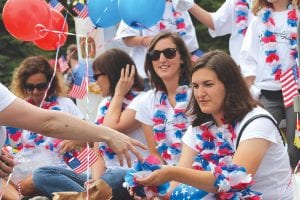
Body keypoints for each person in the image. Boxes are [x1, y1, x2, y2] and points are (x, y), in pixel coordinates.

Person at [137, 50, 292, 199]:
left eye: (208, 84)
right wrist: (150, 188)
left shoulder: (257, 122)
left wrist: (172, 172)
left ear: (229, 85)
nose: (200, 93)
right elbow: (175, 189)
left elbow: (233, 181)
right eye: (196, 86)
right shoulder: (198, 128)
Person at [32, 48, 148, 199]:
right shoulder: (105, 103)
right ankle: (94, 196)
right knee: (42, 174)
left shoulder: (141, 100)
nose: (94, 80)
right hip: (106, 177)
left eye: (97, 75)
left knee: (116, 175)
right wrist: (96, 182)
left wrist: (118, 94)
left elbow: (109, 130)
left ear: (113, 74)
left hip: (131, 176)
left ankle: (91, 196)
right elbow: (97, 149)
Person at [2, 56, 85, 198]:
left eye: (41, 86)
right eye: (30, 87)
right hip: (20, 178)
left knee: (41, 175)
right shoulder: (16, 109)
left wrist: (75, 141)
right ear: (23, 85)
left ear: (50, 83)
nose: (35, 91)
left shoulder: (65, 104)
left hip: (57, 173)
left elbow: (90, 139)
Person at [239, 0, 300, 169]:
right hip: (265, 92)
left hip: (295, 92)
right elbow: (247, 59)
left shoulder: (297, 17)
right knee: (260, 137)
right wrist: (248, 92)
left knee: (296, 145)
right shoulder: (257, 21)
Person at [115, 0, 201, 90]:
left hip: (178, 76)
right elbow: (127, 38)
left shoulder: (179, 5)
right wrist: (146, 41)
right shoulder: (137, 4)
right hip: (148, 77)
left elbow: (190, 46)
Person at [172, 0, 254, 65]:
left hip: (265, 67)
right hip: (244, 69)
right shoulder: (237, 2)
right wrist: (189, 4)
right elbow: (216, 23)